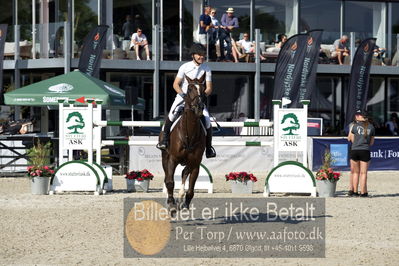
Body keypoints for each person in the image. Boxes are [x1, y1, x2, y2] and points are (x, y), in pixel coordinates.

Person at [156, 43, 216, 158]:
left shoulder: (207, 69)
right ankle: (164, 141)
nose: (202, 57)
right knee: (171, 116)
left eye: (203, 55)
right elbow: (175, 84)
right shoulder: (185, 67)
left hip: (198, 99)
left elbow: (209, 87)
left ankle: (208, 148)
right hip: (182, 98)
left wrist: (203, 95)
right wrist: (183, 95)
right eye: (199, 55)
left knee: (207, 120)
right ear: (193, 55)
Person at [347, 110, 375, 197]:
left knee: (355, 172)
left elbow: (350, 139)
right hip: (365, 150)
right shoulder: (371, 127)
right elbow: (371, 143)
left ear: (361, 117)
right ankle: (363, 193)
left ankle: (354, 192)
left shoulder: (354, 126)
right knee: (363, 173)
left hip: (355, 150)